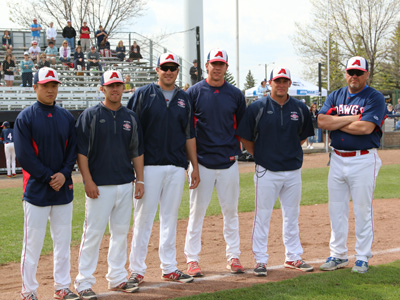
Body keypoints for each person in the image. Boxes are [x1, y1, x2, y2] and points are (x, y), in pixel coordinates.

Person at [126, 52, 199, 284]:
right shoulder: (142, 95)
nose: (169, 71)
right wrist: (136, 172)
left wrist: (194, 166)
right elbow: (130, 131)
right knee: (143, 219)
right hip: (148, 166)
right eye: (165, 67)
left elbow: (189, 134)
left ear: (178, 71)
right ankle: (136, 269)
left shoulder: (184, 98)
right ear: (157, 70)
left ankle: (169, 267)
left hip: (177, 166)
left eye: (173, 68)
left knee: (170, 218)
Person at [237, 66, 315, 276]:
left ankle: (293, 257)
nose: (281, 85)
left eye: (284, 81)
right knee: (262, 216)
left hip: (292, 171)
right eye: (277, 81)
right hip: (267, 171)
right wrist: (261, 156)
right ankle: (260, 260)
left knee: (292, 215)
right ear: (270, 83)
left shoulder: (299, 107)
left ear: (289, 83)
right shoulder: (258, 107)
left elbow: (303, 136)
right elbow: (245, 137)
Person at [74, 70, 144, 299]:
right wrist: (88, 181)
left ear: (124, 87)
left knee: (120, 233)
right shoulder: (91, 115)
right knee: (92, 233)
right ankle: (83, 281)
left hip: (125, 184)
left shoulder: (130, 117)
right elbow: (81, 153)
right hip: (99, 186)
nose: (115, 89)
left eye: (119, 85)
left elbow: (136, 151)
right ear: (101, 88)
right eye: (110, 85)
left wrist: (140, 179)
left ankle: (117, 277)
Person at [14, 67, 79, 300]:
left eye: (54, 85)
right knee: (32, 245)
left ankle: (62, 287)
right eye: (45, 85)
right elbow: (24, 155)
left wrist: (63, 173)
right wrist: (49, 176)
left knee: (63, 243)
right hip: (36, 190)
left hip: (63, 189)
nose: (51, 89)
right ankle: (28, 291)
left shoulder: (66, 116)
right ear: (35, 87)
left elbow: (73, 149)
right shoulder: (25, 117)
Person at [318, 56, 386, 273]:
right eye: (351, 72)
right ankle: (338, 255)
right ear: (345, 73)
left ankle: (363, 257)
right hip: (337, 158)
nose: (354, 76)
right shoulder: (335, 95)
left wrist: (336, 123)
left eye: (358, 72)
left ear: (366, 74)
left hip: (363, 158)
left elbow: (366, 128)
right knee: (336, 210)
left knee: (362, 209)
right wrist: (351, 119)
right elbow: (321, 121)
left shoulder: (374, 97)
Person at [184, 49, 246, 276]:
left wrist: (234, 150)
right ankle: (192, 259)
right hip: (202, 163)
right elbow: (188, 130)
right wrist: (191, 165)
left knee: (231, 212)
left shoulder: (235, 94)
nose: (217, 67)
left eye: (221, 64)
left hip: (228, 162)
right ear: (206, 66)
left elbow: (241, 127)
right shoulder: (194, 92)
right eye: (213, 63)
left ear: (226, 67)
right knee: (196, 213)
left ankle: (234, 256)